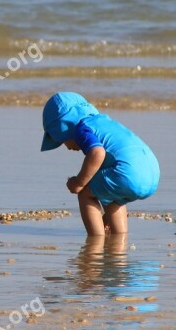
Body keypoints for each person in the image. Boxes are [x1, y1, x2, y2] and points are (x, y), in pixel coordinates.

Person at [40, 92, 160, 236]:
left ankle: (96, 240)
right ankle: (119, 241)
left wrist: (78, 183)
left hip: (126, 173)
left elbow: (97, 153)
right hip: (152, 172)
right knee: (113, 199)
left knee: (85, 194)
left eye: (61, 140)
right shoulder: (105, 121)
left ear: (63, 128)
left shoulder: (81, 128)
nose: (65, 146)